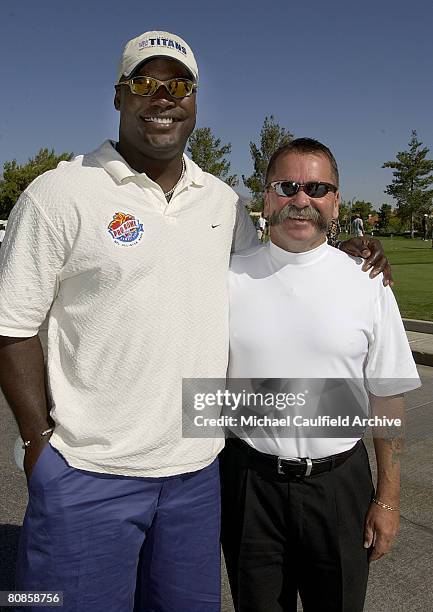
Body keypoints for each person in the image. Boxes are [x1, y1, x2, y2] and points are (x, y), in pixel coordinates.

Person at [0, 31, 390, 612]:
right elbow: (13, 327)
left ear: (195, 101)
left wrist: (349, 249)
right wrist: (38, 444)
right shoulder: (59, 194)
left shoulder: (220, 201)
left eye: (178, 84)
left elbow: (274, 262)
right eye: (146, 83)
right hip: (87, 472)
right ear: (119, 96)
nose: (163, 97)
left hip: (196, 478)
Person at [220, 138, 421, 612]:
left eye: (317, 188)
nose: (301, 199)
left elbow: (387, 397)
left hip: (340, 485)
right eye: (287, 186)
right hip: (250, 483)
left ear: (336, 200)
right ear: (267, 196)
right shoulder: (226, 277)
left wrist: (388, 499)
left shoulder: (368, 282)